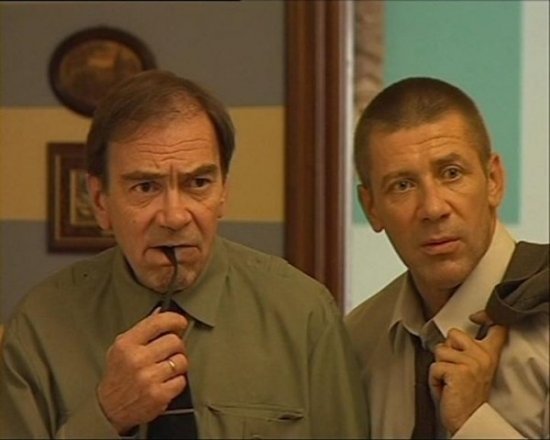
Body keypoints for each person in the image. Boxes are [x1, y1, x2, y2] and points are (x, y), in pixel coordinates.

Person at [0, 70, 368, 438]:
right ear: (100, 202)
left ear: (223, 192)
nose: (175, 217)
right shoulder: (40, 325)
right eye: (146, 187)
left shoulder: (303, 314)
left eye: (198, 183)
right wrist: (107, 414)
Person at [346, 77, 548, 438]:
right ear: (372, 207)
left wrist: (472, 422)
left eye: (451, 174)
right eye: (403, 185)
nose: (433, 208)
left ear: (493, 180)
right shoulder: (358, 341)